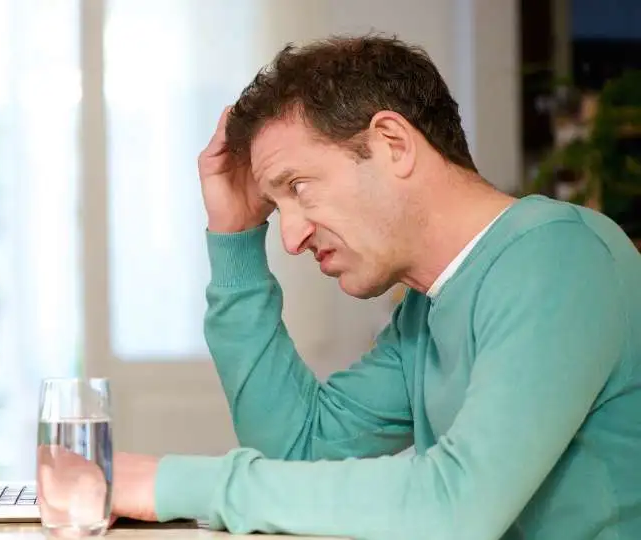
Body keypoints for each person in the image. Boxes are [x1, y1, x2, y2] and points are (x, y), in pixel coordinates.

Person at [104, 35, 641, 539]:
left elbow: (458, 506)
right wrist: (237, 238)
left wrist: (166, 483)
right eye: (277, 207)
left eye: (299, 187)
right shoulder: (429, 310)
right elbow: (298, 449)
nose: (290, 238)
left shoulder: (560, 256)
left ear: (392, 143)